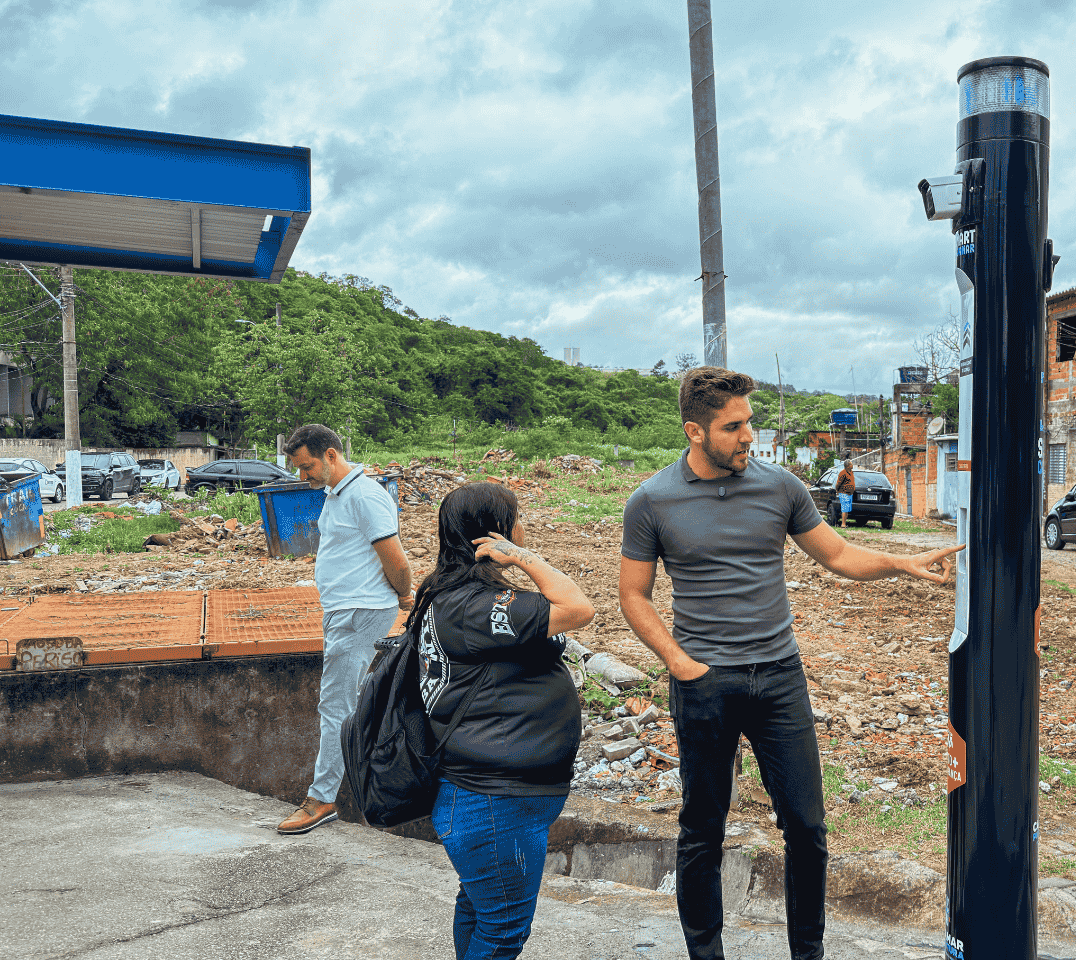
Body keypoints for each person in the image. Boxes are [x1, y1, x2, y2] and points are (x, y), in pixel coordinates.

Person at [618, 367, 962, 960]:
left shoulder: (780, 488)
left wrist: (902, 563)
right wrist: (677, 662)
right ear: (695, 432)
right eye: (734, 426)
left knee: (806, 828)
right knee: (702, 828)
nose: (749, 435)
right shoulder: (651, 501)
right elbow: (632, 594)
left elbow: (838, 553)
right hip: (705, 683)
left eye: (750, 420)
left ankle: (808, 954)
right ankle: (707, 954)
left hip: (779, 676)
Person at [411, 483, 594, 960]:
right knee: (503, 931)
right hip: (494, 800)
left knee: (480, 910)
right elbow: (578, 608)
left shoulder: (451, 595)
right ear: (495, 532)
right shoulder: (474, 605)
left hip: (487, 795)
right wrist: (522, 556)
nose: (523, 527)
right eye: (517, 521)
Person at [277, 424, 414, 835]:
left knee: (336, 706)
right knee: (349, 703)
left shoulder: (365, 495)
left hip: (359, 611)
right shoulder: (337, 494)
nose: (304, 476)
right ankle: (369, 785)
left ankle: (322, 800)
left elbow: (398, 561)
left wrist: (404, 596)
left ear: (332, 455)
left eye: (308, 466)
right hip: (346, 608)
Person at [833, 458, 856, 524]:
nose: (852, 465)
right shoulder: (842, 473)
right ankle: (843, 524)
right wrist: (837, 490)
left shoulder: (851, 472)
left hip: (850, 493)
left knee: (847, 510)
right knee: (844, 509)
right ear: (848, 466)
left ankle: (844, 523)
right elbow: (838, 483)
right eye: (851, 464)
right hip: (844, 493)